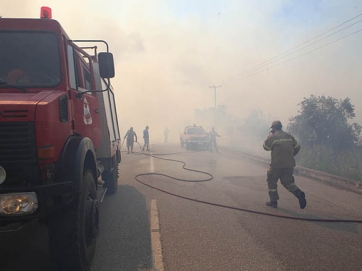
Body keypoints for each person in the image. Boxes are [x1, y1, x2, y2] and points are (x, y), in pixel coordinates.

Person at [263, 120, 306, 209]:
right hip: (289, 165)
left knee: (272, 181)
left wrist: (269, 136)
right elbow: (298, 147)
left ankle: (273, 202)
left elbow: (265, 147)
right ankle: (298, 193)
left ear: (274, 128)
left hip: (277, 165)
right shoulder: (289, 136)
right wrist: (291, 155)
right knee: (288, 182)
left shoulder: (273, 137)